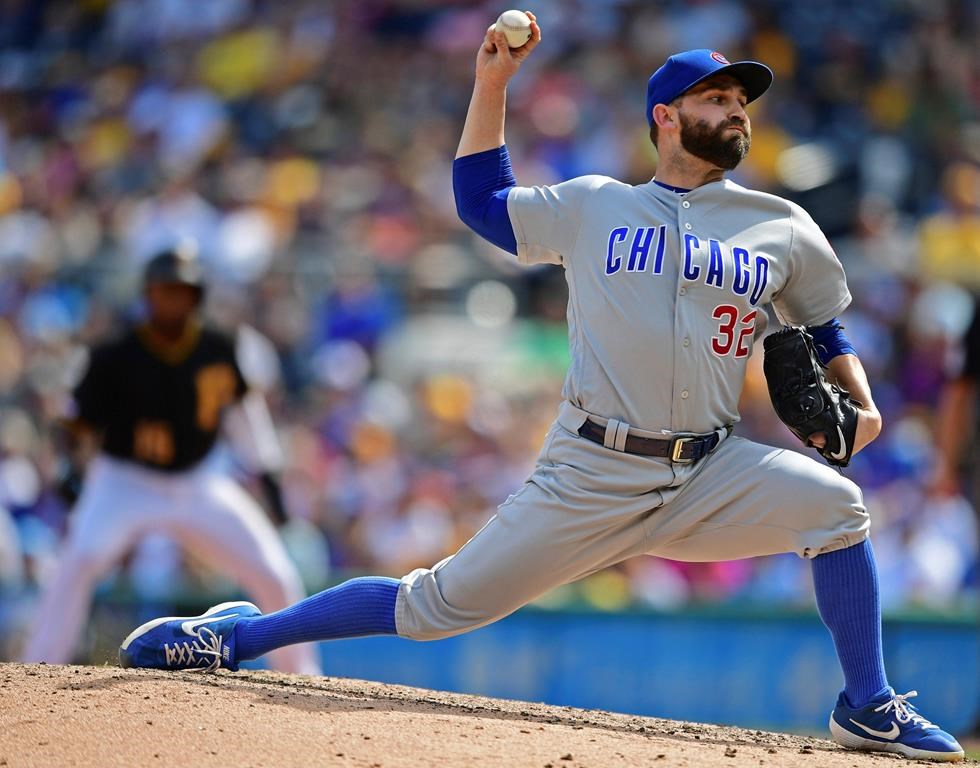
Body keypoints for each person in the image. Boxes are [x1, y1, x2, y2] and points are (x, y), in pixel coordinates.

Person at [117, 18, 963, 761]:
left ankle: (868, 706)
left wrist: (862, 398)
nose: (736, 110)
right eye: (715, 97)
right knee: (434, 606)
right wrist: (492, 83)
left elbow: (825, 327)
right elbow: (482, 201)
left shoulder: (781, 225)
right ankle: (233, 636)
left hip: (709, 469)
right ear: (666, 117)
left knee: (838, 510)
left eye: (742, 99)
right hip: (590, 470)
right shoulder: (596, 205)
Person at [21, 245, 320, 675]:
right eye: (164, 291)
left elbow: (245, 414)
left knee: (274, 572)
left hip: (199, 481)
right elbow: (76, 423)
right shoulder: (116, 354)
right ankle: (36, 671)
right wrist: (70, 470)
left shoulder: (219, 346)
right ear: (148, 295)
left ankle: (301, 674)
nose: (172, 300)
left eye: (181, 291)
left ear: (196, 295)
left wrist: (268, 474)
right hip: (124, 481)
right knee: (79, 561)